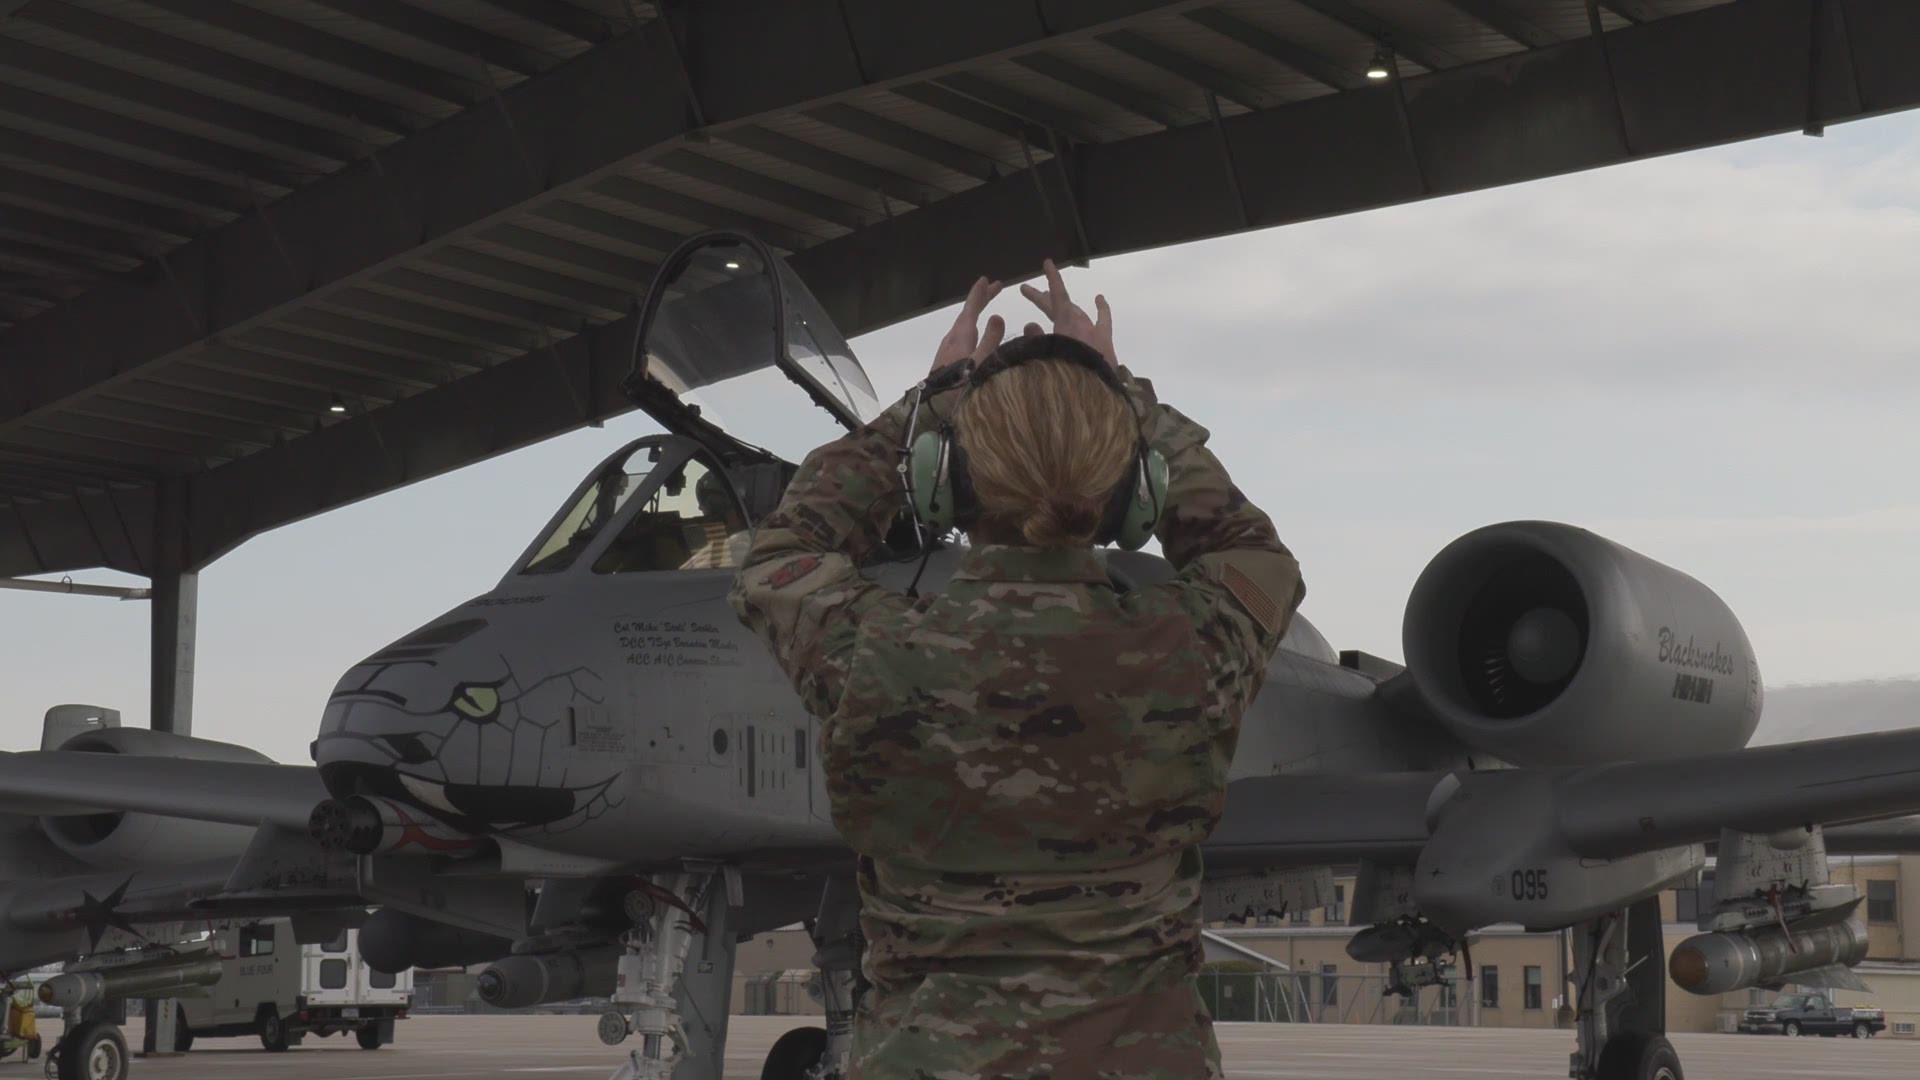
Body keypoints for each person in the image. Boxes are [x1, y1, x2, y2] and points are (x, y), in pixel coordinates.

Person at [730, 261, 1303, 1078]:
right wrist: (1122, 394)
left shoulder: (873, 653)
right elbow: (1251, 552)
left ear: (942, 486)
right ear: (1130, 495)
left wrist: (920, 409)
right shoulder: (1191, 649)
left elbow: (782, 554)